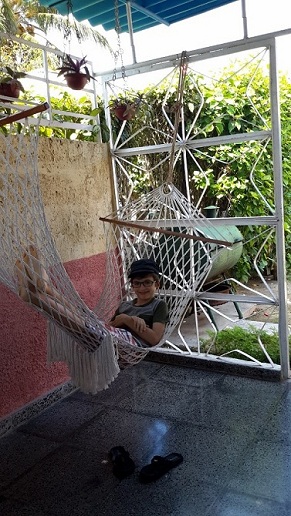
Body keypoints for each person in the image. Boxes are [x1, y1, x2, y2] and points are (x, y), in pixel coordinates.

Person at [15, 247, 168, 349]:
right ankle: (42, 291)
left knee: (88, 323)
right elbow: (111, 325)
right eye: (137, 283)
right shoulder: (125, 306)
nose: (142, 288)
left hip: (130, 346)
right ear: (132, 286)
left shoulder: (158, 305)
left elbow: (154, 339)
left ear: (157, 284)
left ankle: (39, 295)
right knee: (88, 319)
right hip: (111, 338)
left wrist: (128, 321)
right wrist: (123, 318)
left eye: (147, 283)